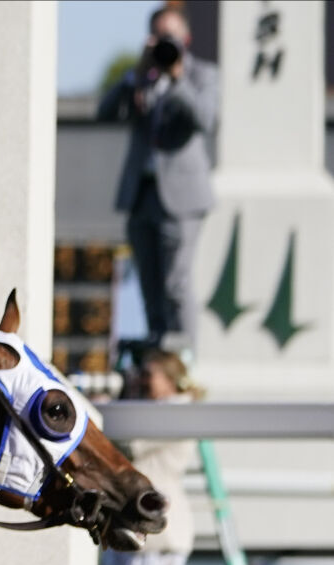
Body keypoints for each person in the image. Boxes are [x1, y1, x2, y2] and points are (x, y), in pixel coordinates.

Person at [97, 5, 218, 354]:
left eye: (171, 37)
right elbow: (104, 112)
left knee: (176, 285)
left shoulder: (202, 75)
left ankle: (184, 363)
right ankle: (157, 363)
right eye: (158, 37)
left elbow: (205, 119)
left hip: (182, 197)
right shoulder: (142, 78)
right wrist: (134, 74)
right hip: (142, 193)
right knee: (150, 288)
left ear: (186, 39)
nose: (164, 45)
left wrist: (177, 78)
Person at [96, 349, 199, 565]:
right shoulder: (145, 409)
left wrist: (100, 414)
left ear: (170, 379)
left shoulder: (179, 411)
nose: (140, 382)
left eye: (148, 375)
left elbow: (131, 443)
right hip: (126, 531)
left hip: (158, 535)